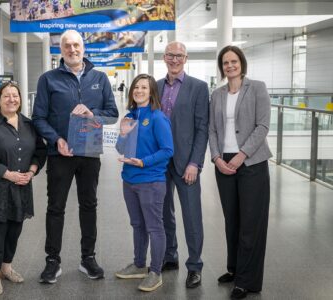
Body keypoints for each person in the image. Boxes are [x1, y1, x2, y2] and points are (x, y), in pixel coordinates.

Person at [32, 29, 118, 284]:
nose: (72, 50)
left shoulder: (100, 78)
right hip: (60, 154)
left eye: (76, 45)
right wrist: (56, 139)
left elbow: (112, 113)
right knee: (55, 207)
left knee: (89, 205)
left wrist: (93, 114)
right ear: (61, 50)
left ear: (84, 48)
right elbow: (38, 117)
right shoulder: (48, 79)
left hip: (89, 153)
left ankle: (88, 258)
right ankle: (52, 261)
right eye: (67, 46)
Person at [209, 45, 272, 299]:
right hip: (223, 163)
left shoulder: (257, 88)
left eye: (234, 61)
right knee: (232, 221)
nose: (230, 66)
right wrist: (216, 158)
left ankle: (247, 280)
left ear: (242, 63)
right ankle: (234, 269)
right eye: (225, 63)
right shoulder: (217, 94)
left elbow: (263, 125)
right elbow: (213, 130)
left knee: (250, 225)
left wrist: (241, 155)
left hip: (252, 163)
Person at [0, 81, 46, 295]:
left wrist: (31, 172)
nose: (11, 99)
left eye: (15, 95)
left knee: (15, 229)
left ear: (20, 99)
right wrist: (8, 174)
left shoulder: (29, 124)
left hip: (21, 187)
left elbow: (40, 151)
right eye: (6, 96)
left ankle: (6, 267)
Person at [156, 41, 209, 288]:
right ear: (164, 57)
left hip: (186, 163)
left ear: (185, 58)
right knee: (165, 213)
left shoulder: (198, 88)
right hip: (160, 163)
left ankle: (195, 265)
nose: (174, 59)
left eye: (179, 55)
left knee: (191, 216)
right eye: (170, 55)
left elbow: (202, 128)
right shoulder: (155, 87)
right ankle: (170, 255)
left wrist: (195, 163)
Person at [115, 74, 174, 292]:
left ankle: (155, 272)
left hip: (150, 181)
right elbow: (122, 149)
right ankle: (139, 264)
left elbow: (168, 150)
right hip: (129, 180)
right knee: (137, 225)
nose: (139, 90)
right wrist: (122, 134)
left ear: (151, 93)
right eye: (136, 87)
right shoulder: (130, 116)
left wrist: (143, 162)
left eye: (144, 87)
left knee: (154, 227)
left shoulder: (158, 118)